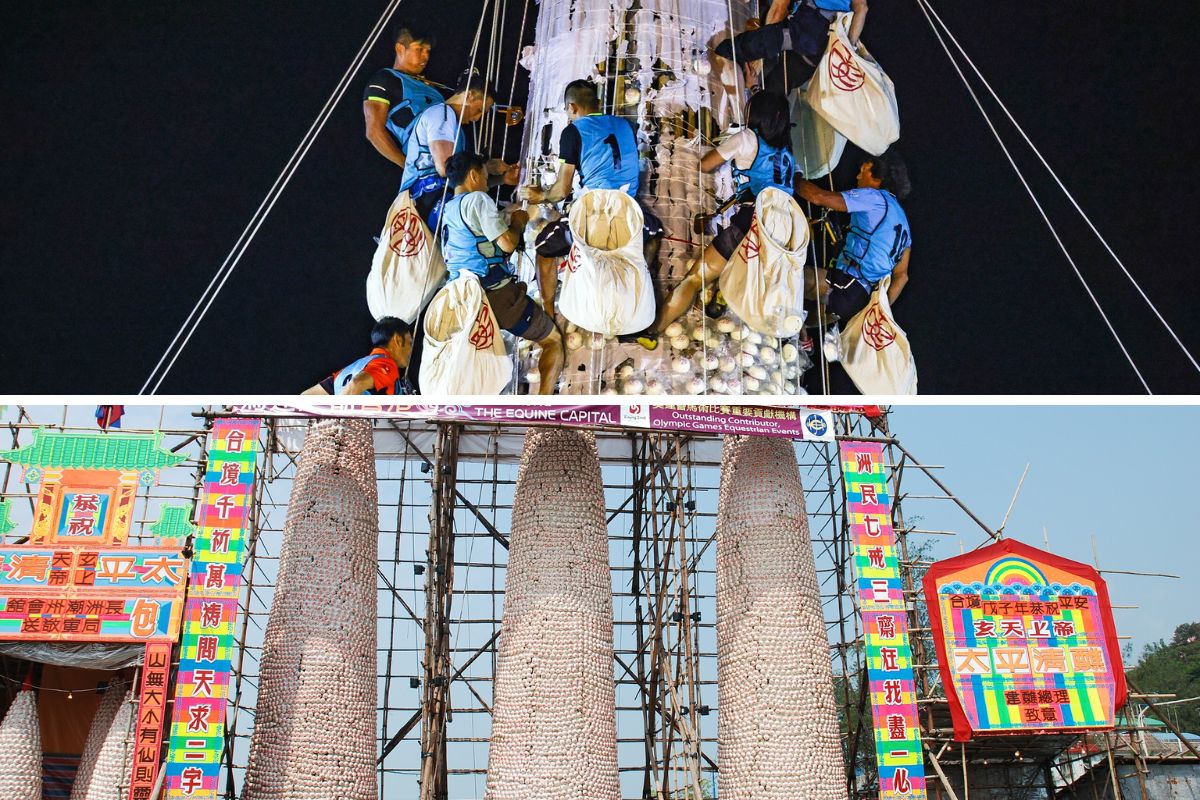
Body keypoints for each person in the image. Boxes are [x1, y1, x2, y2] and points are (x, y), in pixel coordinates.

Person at [641, 91, 796, 348]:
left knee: (696, 277)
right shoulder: (788, 152)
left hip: (753, 221)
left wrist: (729, 147)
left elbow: (706, 164)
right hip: (784, 231)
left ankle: (652, 330)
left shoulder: (747, 138)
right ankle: (724, 299)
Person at [518, 79, 663, 318]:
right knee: (654, 231)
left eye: (567, 111)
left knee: (544, 246)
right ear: (596, 103)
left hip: (594, 217)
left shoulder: (572, 132)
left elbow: (562, 190)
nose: (568, 115)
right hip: (629, 215)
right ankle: (639, 295)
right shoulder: (626, 125)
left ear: (573, 108)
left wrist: (540, 195)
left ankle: (549, 315)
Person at [440, 152, 564, 394]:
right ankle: (542, 410)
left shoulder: (448, 210)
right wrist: (519, 220)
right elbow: (507, 243)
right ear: (473, 175)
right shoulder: (477, 200)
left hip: (462, 300)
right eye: (486, 178)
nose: (488, 184)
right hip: (494, 295)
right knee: (554, 342)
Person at [794, 150, 911, 321]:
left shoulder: (875, 198)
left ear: (878, 178)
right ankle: (802, 338)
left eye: (863, 170)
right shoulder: (902, 221)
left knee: (786, 274)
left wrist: (794, 175)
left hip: (846, 285)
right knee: (803, 319)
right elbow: (902, 276)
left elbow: (818, 197)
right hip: (861, 299)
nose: (857, 177)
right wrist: (878, 311)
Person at [399, 71, 517, 232]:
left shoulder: (456, 130)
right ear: (469, 95)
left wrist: (502, 179)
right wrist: (487, 167)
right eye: (479, 110)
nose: (477, 118)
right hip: (422, 196)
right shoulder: (441, 114)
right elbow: (445, 168)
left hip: (435, 198)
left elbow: (464, 181)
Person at [715, 0, 868, 95]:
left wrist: (847, 50)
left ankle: (714, 61)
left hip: (807, 31)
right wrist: (846, 50)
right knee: (773, 95)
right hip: (813, 51)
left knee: (735, 48)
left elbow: (779, 8)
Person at [362, 24, 447, 168]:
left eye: (428, 51)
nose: (425, 56)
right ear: (400, 48)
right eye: (419, 49)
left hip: (453, 155)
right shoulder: (385, 80)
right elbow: (374, 131)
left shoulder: (430, 86)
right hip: (425, 158)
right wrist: (407, 166)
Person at [304, 317, 414, 395]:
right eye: (410, 343)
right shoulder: (386, 364)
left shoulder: (348, 370)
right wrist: (339, 419)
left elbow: (306, 397)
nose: (411, 349)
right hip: (359, 427)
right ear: (398, 340)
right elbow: (357, 383)